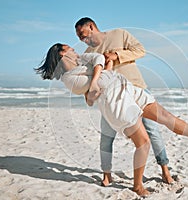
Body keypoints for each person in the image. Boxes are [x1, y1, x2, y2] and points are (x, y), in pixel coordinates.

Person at [35, 43, 188, 197]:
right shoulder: (68, 79)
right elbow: (92, 84)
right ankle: (137, 186)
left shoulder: (81, 62)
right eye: (70, 48)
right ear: (62, 53)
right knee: (143, 143)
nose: (75, 50)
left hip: (128, 89)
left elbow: (97, 60)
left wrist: (96, 78)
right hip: (116, 102)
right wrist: (99, 76)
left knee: (167, 118)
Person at [74, 17, 175, 186]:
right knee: (106, 137)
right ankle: (107, 174)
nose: (82, 39)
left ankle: (165, 170)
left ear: (91, 26)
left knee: (153, 132)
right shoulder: (88, 54)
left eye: (83, 34)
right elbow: (90, 79)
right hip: (112, 99)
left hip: (137, 89)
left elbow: (140, 50)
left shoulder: (119, 34)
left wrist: (116, 55)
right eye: (79, 37)